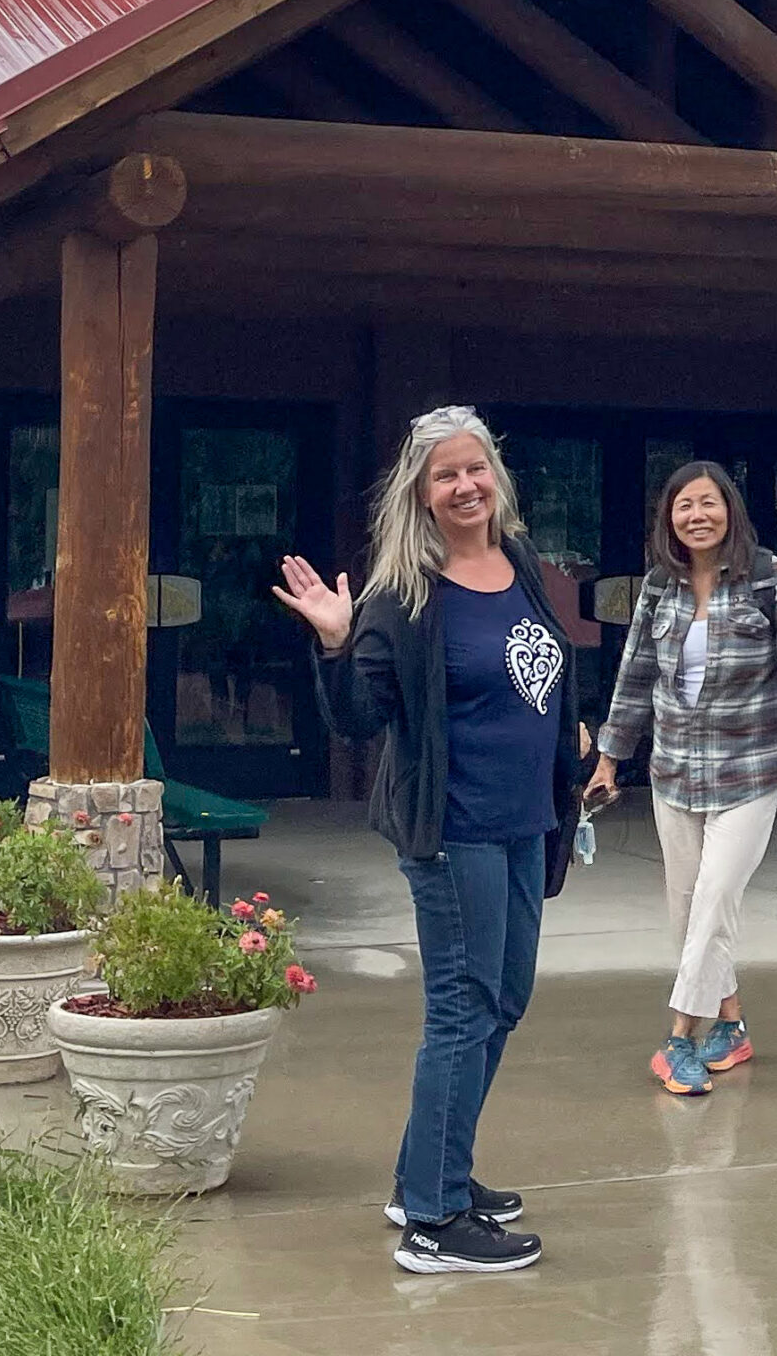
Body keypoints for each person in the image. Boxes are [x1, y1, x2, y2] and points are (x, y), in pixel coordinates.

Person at [273, 405, 584, 1277]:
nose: (465, 485)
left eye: (475, 468)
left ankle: (427, 1177)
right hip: (452, 830)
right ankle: (436, 1225)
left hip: (527, 821)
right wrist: (336, 643)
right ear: (420, 492)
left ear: (496, 475)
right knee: (463, 1006)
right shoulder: (403, 595)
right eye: (444, 474)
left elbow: (545, 673)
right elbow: (361, 717)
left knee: (504, 999)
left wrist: (578, 754)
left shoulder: (519, 562)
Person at [585, 459, 777, 1097]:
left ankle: (678, 1041)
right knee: (687, 907)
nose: (697, 516)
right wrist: (611, 757)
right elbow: (635, 675)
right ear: (669, 517)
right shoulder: (658, 587)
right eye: (683, 506)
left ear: (731, 511)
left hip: (749, 771)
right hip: (673, 773)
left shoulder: (771, 580)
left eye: (709, 503)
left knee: (715, 901)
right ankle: (732, 1024)